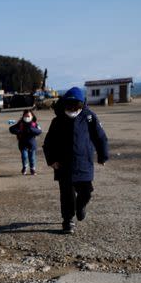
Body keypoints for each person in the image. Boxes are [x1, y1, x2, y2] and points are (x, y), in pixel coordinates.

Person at [42, 87, 109, 234]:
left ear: (81, 104)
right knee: (67, 195)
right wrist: (51, 160)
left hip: (84, 163)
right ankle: (67, 221)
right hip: (63, 165)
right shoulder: (57, 121)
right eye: (69, 105)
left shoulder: (89, 117)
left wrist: (103, 155)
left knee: (86, 191)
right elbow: (48, 143)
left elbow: (100, 137)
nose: (72, 109)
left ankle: (81, 206)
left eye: (76, 105)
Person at [8, 109, 43, 175]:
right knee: (24, 156)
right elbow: (11, 129)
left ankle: (32, 169)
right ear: (23, 116)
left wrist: (31, 129)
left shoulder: (34, 124)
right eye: (26, 116)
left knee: (32, 158)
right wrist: (19, 131)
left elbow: (39, 131)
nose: (27, 117)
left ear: (32, 116)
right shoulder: (20, 124)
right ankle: (24, 167)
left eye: (28, 116)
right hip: (22, 144)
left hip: (32, 144)